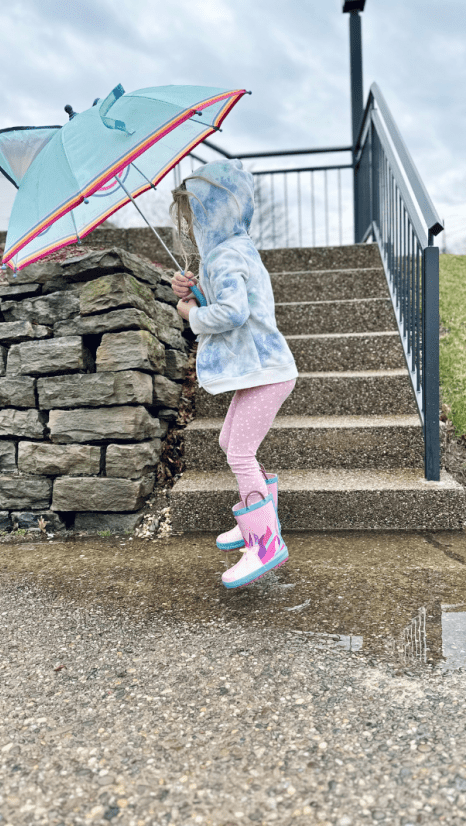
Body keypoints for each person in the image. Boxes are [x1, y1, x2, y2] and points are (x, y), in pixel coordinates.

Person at [170, 158, 298, 589]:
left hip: (266, 371)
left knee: (239, 453)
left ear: (212, 214)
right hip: (261, 370)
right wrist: (196, 292)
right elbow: (233, 302)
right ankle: (257, 523)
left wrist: (191, 314)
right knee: (231, 442)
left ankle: (265, 542)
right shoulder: (236, 249)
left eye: (196, 215)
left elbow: (233, 312)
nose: (192, 226)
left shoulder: (224, 254)